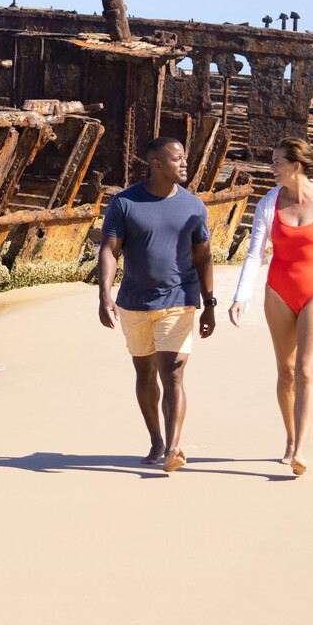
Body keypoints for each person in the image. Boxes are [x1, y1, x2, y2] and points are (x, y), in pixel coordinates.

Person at [228, 137, 313, 476]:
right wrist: (241, 297)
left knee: (308, 371)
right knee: (286, 371)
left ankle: (300, 450)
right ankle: (290, 437)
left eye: (277, 162)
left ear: (296, 166)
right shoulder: (269, 202)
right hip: (279, 292)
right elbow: (255, 253)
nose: (272, 168)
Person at [96, 136, 217, 472]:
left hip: (179, 299)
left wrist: (209, 304)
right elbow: (109, 250)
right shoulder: (124, 203)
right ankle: (156, 441)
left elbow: (203, 258)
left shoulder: (194, 206)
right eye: (177, 159)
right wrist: (105, 294)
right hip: (134, 302)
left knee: (173, 373)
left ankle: (174, 447)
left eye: (185, 158)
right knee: (145, 372)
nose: (184, 164)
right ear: (157, 164)